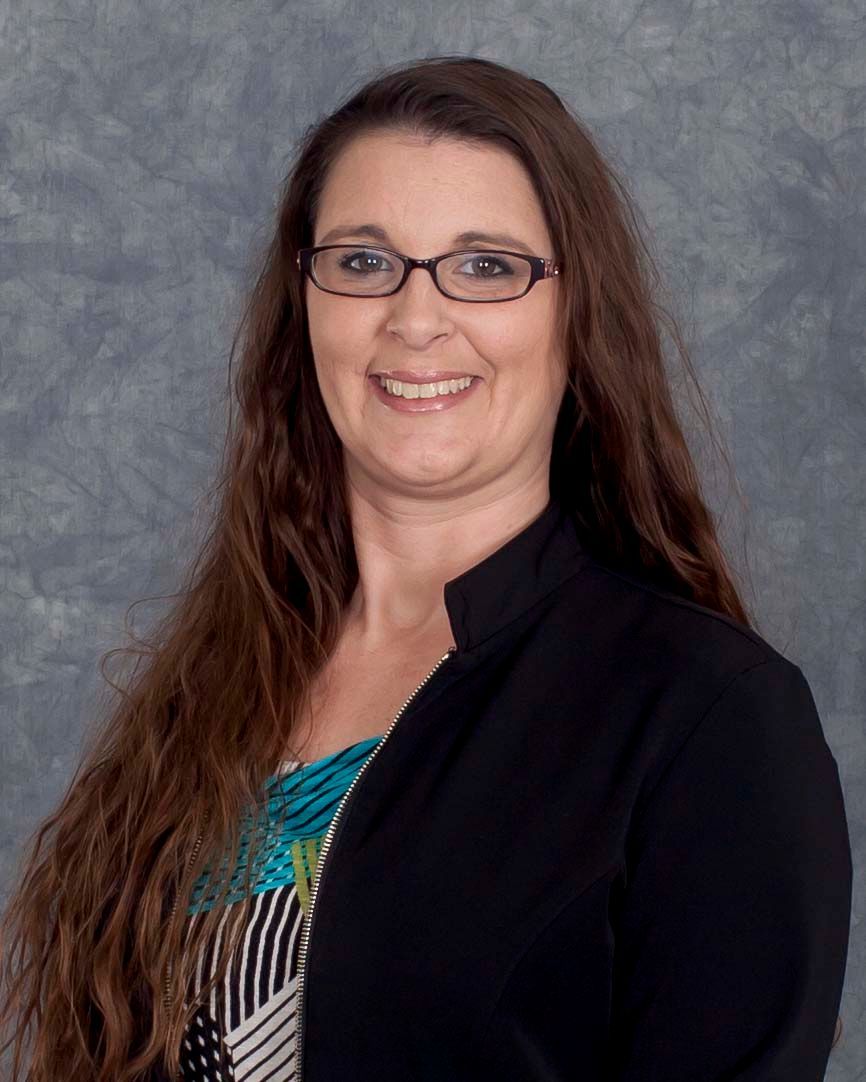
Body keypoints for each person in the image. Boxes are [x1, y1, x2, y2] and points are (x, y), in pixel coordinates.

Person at [0, 55, 852, 1082]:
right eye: (363, 262)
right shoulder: (213, 683)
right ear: (303, 302)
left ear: (574, 316)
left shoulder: (707, 714)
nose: (414, 317)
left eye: (484, 265)